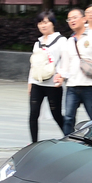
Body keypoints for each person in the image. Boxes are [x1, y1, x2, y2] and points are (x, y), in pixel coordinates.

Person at [54, 8, 92, 135]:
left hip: (90, 85)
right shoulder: (69, 41)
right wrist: (60, 76)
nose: (72, 20)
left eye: (75, 17)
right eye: (69, 19)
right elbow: (65, 65)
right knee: (68, 118)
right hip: (72, 86)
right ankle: (67, 143)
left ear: (84, 19)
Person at [27, 11, 65, 143]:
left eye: (46, 22)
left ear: (53, 23)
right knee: (33, 114)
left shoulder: (61, 41)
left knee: (57, 115)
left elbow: (64, 60)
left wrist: (61, 76)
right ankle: (34, 143)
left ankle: (70, 137)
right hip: (37, 83)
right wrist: (30, 83)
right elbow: (34, 64)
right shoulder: (37, 43)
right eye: (40, 23)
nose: (43, 25)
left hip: (53, 84)